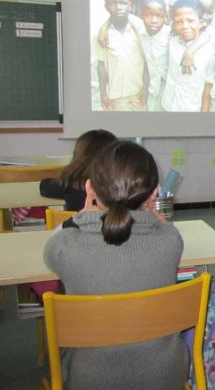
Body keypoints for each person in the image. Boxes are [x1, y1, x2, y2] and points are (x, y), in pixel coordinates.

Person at [44, 141, 188, 389]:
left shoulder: (64, 246)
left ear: (90, 188)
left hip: (89, 379)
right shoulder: (171, 240)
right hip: (165, 377)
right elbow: (161, 230)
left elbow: (53, 243)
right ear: (153, 193)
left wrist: (83, 214)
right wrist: (159, 221)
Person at [161, 0, 215, 112]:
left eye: (190, 21)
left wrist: (204, 112)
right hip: (167, 104)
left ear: (201, 22)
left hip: (190, 108)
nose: (185, 26)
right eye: (178, 22)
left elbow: (207, 85)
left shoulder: (210, 52)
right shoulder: (171, 40)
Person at [40, 129, 118, 211]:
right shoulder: (120, 185)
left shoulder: (70, 183)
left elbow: (44, 187)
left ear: (79, 156)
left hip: (76, 223)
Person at [96, 0, 147, 112]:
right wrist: (103, 93)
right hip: (116, 95)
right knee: (121, 129)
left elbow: (147, 61)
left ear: (130, 5)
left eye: (123, 3)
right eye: (113, 3)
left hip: (139, 93)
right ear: (106, 6)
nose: (118, 7)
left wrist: (145, 88)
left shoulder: (141, 27)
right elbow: (101, 65)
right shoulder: (101, 34)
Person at [137, 0, 170, 112]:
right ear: (141, 15)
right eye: (148, 15)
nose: (154, 20)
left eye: (159, 16)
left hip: (169, 91)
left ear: (165, 16)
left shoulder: (172, 34)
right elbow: (146, 63)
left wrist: (190, 53)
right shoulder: (141, 34)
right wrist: (144, 89)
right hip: (152, 89)